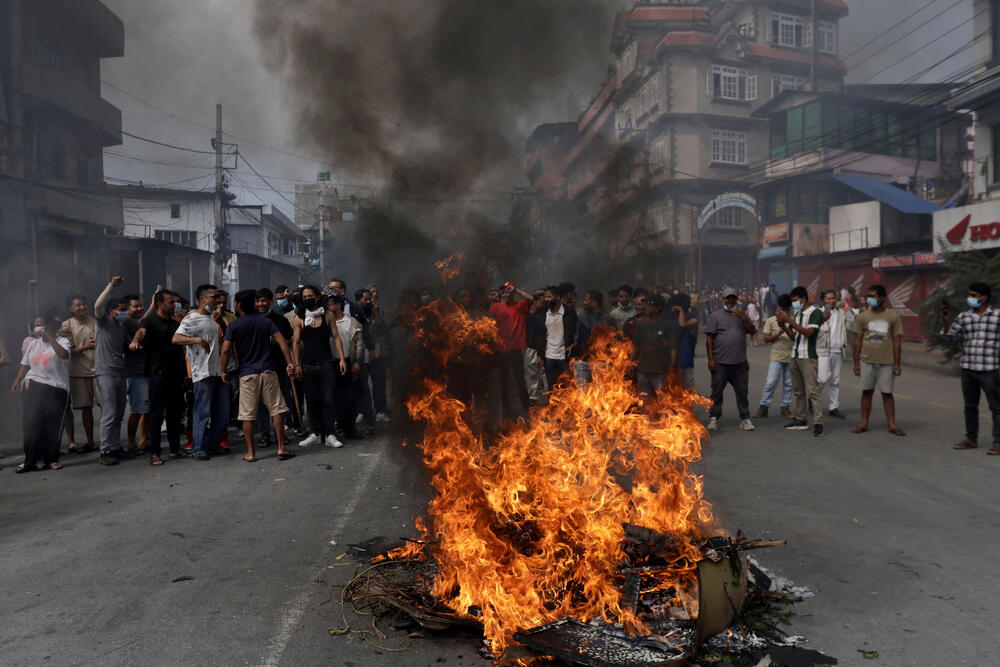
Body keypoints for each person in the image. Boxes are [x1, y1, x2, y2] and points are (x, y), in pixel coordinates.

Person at [220, 289, 297, 462]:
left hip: (247, 374)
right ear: (254, 303)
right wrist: (289, 362)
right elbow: (282, 341)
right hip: (268, 371)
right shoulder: (265, 322)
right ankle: (281, 447)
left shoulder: (234, 325)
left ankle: (251, 453)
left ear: (238, 305)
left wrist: (223, 370)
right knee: (276, 410)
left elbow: (225, 350)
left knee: (247, 415)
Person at [941, 282, 1000, 454]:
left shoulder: (997, 316)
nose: (970, 298)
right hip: (968, 369)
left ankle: (998, 441)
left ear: (985, 297)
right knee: (970, 406)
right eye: (970, 295)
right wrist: (945, 322)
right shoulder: (964, 317)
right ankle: (971, 439)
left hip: (989, 369)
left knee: (996, 407)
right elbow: (950, 338)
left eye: (973, 295)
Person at [172, 284, 230, 461]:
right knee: (202, 412)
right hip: (202, 374)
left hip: (216, 373)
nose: (217, 300)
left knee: (223, 412)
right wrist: (196, 339)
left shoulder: (213, 318)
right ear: (203, 299)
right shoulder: (191, 318)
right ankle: (198, 448)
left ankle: (213, 445)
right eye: (214, 297)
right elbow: (176, 338)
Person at [130, 290, 186, 466]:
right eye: (171, 302)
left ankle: (175, 449)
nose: (174, 305)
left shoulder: (175, 323)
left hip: (176, 374)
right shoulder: (150, 321)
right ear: (160, 303)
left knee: (174, 414)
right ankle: (155, 452)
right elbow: (141, 332)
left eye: (176, 302)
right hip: (158, 374)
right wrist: (135, 341)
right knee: (156, 414)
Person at [10, 313, 71, 472]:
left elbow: (63, 355)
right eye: (37, 326)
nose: (39, 329)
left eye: (42, 325)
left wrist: (49, 337)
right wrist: (17, 380)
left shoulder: (63, 341)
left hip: (56, 387)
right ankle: (29, 460)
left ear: (51, 326)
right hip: (35, 385)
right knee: (31, 423)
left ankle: (51, 459)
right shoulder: (32, 344)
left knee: (51, 425)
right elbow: (25, 365)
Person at [291, 285, 348, 449]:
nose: (307, 299)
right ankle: (315, 433)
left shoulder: (328, 315)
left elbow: (336, 337)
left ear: (317, 297)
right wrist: (297, 364)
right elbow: (295, 342)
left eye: (310, 295)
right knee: (311, 400)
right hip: (307, 365)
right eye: (304, 297)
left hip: (326, 363)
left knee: (329, 399)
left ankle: (330, 434)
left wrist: (342, 359)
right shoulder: (299, 318)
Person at [852, 284, 905, 436]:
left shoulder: (893, 316)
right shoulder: (863, 316)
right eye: (868, 296)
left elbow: (896, 340)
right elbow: (858, 340)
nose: (869, 299)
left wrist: (897, 363)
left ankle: (892, 424)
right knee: (866, 392)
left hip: (887, 362)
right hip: (866, 360)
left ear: (882, 298)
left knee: (887, 393)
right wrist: (856, 363)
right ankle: (863, 422)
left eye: (873, 296)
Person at [704, 287, 756, 432]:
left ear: (737, 299)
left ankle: (745, 418)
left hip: (739, 362)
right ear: (723, 299)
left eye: (733, 298)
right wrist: (711, 359)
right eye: (728, 298)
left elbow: (752, 331)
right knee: (716, 392)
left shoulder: (742, 315)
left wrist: (743, 318)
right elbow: (709, 338)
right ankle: (714, 418)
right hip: (720, 362)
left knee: (742, 392)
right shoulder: (715, 316)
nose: (730, 301)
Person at [256, 288, 302, 443]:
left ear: (270, 302)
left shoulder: (280, 320)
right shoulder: (253, 320)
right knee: (262, 404)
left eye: (263, 301)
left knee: (280, 402)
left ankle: (281, 434)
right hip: (259, 367)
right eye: (258, 301)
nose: (261, 304)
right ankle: (264, 435)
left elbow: (290, 340)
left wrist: (277, 341)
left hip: (278, 365)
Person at [93, 276, 130, 465]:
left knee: (119, 413)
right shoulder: (103, 323)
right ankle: (105, 449)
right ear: (111, 311)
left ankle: (115, 446)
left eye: (125, 310)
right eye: (120, 310)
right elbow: (97, 306)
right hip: (105, 373)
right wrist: (110, 286)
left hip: (119, 373)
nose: (123, 313)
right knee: (109, 412)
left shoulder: (121, 326)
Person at [778, 286, 825, 437]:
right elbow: (796, 336)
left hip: (808, 356)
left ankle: (818, 423)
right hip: (795, 355)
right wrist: (784, 327)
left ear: (803, 299)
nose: (794, 304)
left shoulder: (815, 312)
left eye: (795, 300)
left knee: (812, 391)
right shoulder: (797, 314)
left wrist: (789, 320)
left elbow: (809, 333)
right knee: (798, 391)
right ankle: (801, 419)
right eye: (792, 301)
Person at [488, 281, 534, 420]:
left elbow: (531, 299)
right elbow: (488, 324)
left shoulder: (519, 306)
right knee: (503, 381)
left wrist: (517, 289)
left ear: (513, 293)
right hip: (500, 349)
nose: (505, 293)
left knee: (520, 380)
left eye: (508, 291)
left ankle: (526, 410)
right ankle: (507, 413)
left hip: (515, 348)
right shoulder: (496, 307)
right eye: (504, 291)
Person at [60, 294, 98, 454]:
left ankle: (110, 441)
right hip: (78, 372)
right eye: (77, 305)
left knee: (106, 407)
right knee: (86, 409)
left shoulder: (95, 321)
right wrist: (85, 347)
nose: (81, 307)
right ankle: (90, 441)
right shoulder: (67, 325)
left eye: (83, 304)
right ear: (71, 309)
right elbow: (65, 350)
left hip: (98, 370)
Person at [329, 293, 365, 440]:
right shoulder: (326, 322)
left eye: (331, 303)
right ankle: (339, 426)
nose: (328, 307)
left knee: (350, 396)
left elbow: (358, 342)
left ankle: (350, 428)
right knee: (335, 397)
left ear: (338, 305)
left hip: (348, 362)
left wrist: (357, 361)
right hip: (332, 363)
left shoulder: (351, 322)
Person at [753, 294, 794, 420]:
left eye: (787, 310)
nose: (784, 312)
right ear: (778, 307)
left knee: (789, 384)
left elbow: (795, 337)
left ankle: (785, 408)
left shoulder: (793, 320)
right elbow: (766, 338)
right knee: (771, 383)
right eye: (783, 309)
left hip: (791, 356)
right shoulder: (771, 320)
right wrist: (779, 333)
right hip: (776, 356)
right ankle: (763, 407)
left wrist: (787, 328)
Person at [631, 294, 677, 400]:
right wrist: (631, 362)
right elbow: (636, 347)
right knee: (644, 404)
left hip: (660, 372)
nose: (645, 307)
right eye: (645, 304)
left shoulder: (667, 325)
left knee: (663, 404)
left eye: (649, 304)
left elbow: (673, 348)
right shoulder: (641, 324)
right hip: (642, 371)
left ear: (658, 308)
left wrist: (672, 366)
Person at [122, 294, 149, 454]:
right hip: (135, 372)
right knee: (137, 410)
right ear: (127, 309)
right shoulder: (124, 324)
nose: (139, 308)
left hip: (148, 370)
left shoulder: (145, 322)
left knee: (147, 409)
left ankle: (143, 439)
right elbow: (129, 345)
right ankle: (132, 442)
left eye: (141, 305)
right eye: (135, 306)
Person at [541, 285, 578, 392]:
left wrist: (573, 345)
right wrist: (540, 353)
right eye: (545, 297)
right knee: (552, 386)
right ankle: (553, 407)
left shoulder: (569, 312)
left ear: (557, 297)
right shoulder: (544, 313)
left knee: (566, 385)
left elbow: (576, 330)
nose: (546, 299)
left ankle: (566, 408)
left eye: (549, 297)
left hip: (564, 356)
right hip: (549, 356)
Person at [817, 289, 847, 419]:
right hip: (822, 349)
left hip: (837, 349)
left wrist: (846, 307)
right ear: (823, 300)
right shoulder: (817, 312)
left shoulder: (841, 312)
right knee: (822, 378)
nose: (831, 300)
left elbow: (851, 322)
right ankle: (814, 400)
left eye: (833, 298)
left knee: (835, 380)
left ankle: (833, 407)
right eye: (828, 298)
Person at [573, 289, 611, 386]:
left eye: (586, 300)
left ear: (594, 302)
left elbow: (612, 341)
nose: (584, 303)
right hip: (583, 361)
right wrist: (575, 357)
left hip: (600, 361)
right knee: (582, 392)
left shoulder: (607, 319)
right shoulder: (582, 318)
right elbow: (577, 337)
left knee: (600, 391)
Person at [669, 293, 698, 389]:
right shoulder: (673, 319)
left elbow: (682, 325)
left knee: (688, 387)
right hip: (673, 360)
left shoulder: (693, 320)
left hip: (685, 359)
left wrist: (680, 310)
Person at [524, 288, 548, 403]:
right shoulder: (526, 314)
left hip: (543, 347)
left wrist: (540, 352)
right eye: (541, 302)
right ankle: (533, 399)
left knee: (544, 374)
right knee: (531, 375)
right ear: (535, 301)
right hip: (530, 348)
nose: (543, 305)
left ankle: (549, 398)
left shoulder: (544, 314)